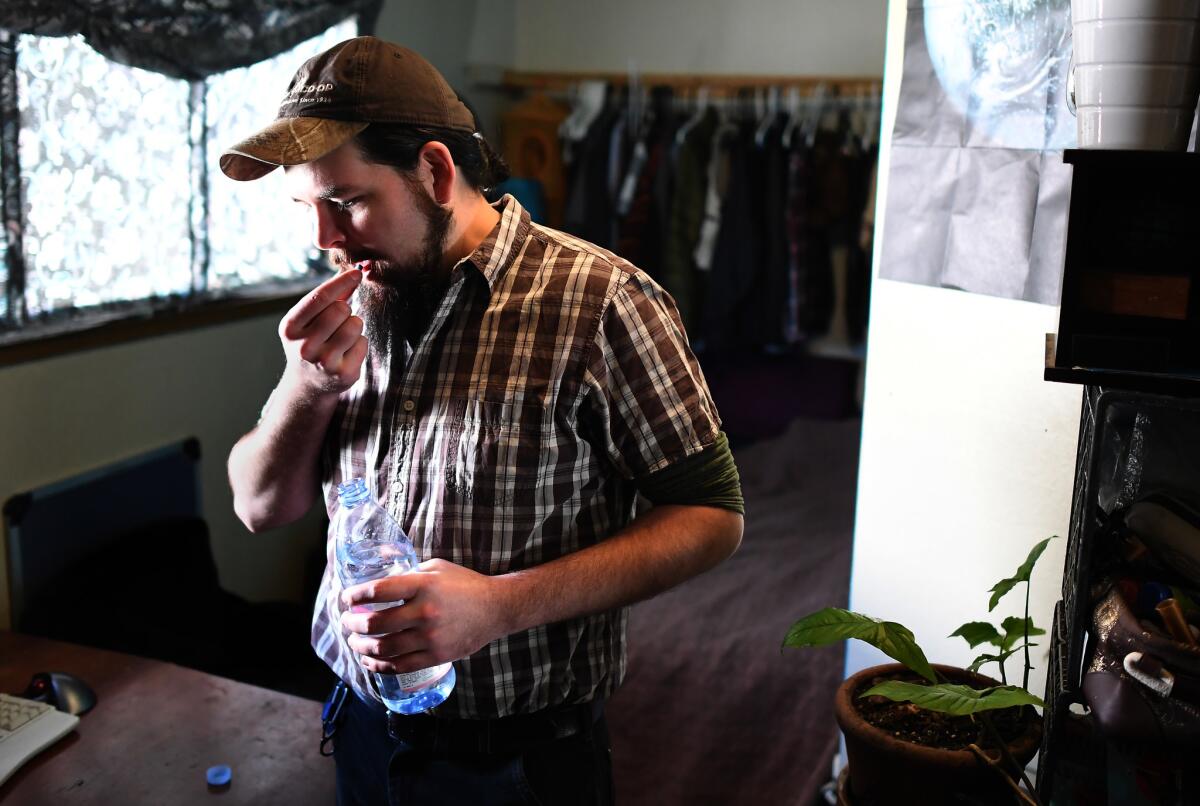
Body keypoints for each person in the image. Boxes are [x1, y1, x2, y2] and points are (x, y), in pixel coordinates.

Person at [221, 35, 744, 806]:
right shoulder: (359, 293)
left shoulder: (603, 302)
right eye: (307, 209)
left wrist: (501, 606)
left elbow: (713, 518)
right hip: (359, 732)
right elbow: (258, 507)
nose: (324, 242)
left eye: (347, 202)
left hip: (523, 765)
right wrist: (305, 387)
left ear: (434, 171)